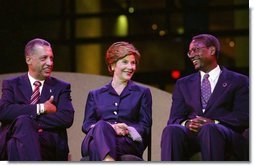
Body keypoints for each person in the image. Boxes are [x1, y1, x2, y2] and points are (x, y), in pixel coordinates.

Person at [161, 34, 249, 161]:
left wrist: (214, 122)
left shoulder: (238, 81)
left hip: (224, 135)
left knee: (210, 129)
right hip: (192, 136)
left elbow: (244, 116)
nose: (191, 55)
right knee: (171, 130)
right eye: (189, 51)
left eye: (196, 49)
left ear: (212, 50)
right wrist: (187, 123)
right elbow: (175, 118)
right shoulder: (183, 84)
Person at [0, 38, 75, 161]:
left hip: (48, 144)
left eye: (51, 58)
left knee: (20, 130)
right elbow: (3, 111)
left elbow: (66, 117)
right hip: (14, 142)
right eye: (44, 58)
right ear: (28, 59)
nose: (50, 63)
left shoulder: (60, 87)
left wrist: (28, 122)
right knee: (17, 138)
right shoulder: (11, 85)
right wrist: (41, 108)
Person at [81, 41, 152, 161]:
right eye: (125, 62)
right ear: (113, 65)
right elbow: (87, 125)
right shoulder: (95, 94)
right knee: (101, 126)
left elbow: (145, 126)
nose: (130, 67)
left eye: (133, 63)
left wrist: (127, 130)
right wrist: (110, 128)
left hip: (127, 142)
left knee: (95, 146)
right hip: (99, 136)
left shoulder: (142, 93)